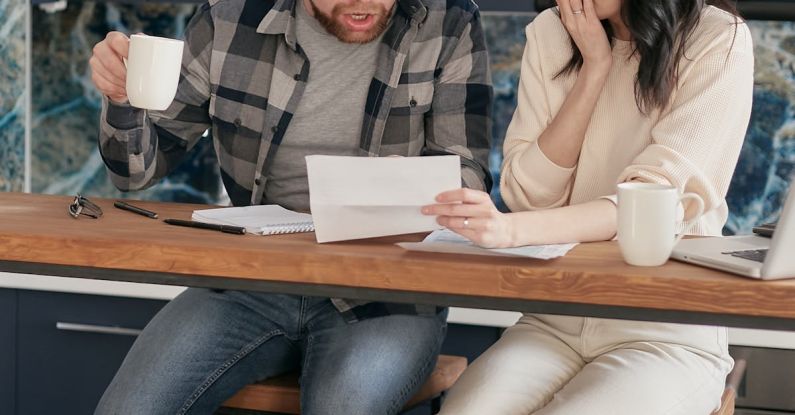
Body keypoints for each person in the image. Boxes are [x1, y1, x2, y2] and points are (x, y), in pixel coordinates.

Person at [88, 0, 492, 412]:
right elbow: (136, 172)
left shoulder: (450, 21)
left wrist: (404, 186)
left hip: (388, 292)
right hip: (252, 281)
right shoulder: (228, 17)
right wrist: (123, 100)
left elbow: (469, 174)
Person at [422, 0, 753, 413]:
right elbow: (529, 195)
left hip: (667, 330)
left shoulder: (718, 38)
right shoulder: (552, 31)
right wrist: (594, 68)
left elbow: (650, 203)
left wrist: (509, 230)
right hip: (554, 318)